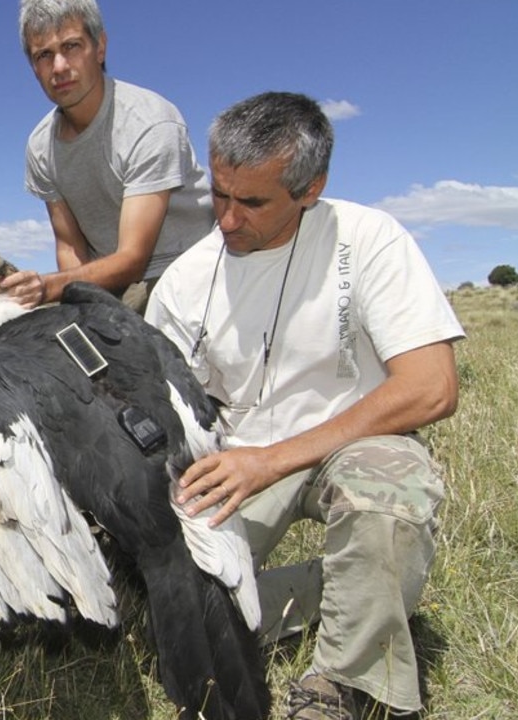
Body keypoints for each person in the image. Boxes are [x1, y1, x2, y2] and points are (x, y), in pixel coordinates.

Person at [146, 92, 464, 719]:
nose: (228, 220)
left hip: (354, 444)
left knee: (386, 494)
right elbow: (161, 408)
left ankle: (344, 687)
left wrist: (275, 459)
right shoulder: (185, 277)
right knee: (164, 632)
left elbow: (432, 386)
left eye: (253, 202)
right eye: (219, 194)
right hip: (233, 461)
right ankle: (351, 591)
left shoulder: (368, 238)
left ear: (311, 187)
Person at [2, 0, 214, 312]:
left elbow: (133, 258)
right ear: (34, 68)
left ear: (100, 47)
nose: (59, 66)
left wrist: (49, 287)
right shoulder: (40, 146)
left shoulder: (148, 122)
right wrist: (73, 301)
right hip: (109, 281)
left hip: (182, 269)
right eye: (44, 55)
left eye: (71, 46)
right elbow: (69, 245)